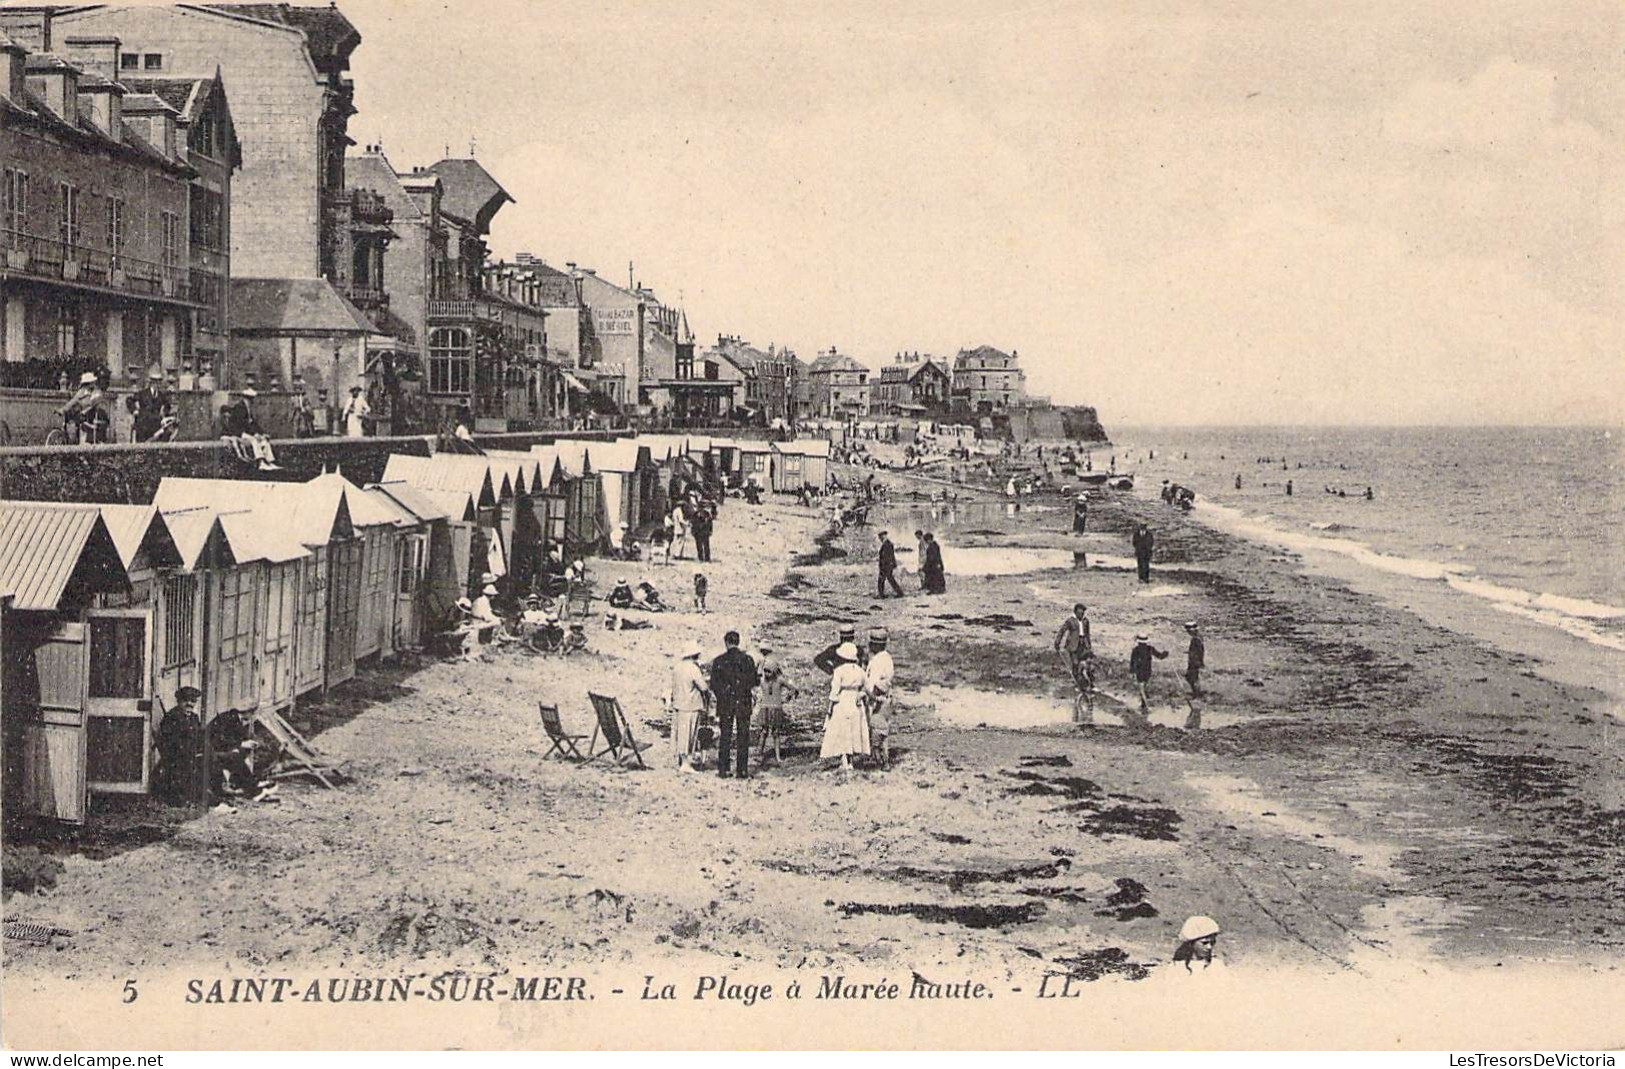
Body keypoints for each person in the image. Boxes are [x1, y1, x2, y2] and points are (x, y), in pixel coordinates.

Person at [709, 631, 760, 779]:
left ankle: (724, 769)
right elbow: (753, 682)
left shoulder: (719, 661)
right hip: (743, 701)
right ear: (738, 642)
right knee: (743, 736)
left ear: (726, 643)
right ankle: (742, 770)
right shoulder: (747, 659)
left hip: (725, 702)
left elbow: (714, 684)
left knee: (725, 735)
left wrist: (722, 695)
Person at [820, 642, 871, 773]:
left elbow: (834, 692)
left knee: (842, 731)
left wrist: (830, 709)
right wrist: (861, 694)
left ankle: (845, 761)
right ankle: (851, 761)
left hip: (842, 701)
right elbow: (868, 688)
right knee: (854, 729)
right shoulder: (860, 671)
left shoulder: (839, 671)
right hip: (855, 701)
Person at [208, 708, 277, 803]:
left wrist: (242, 744)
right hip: (209, 751)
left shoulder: (235, 718)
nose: (252, 717)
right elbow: (217, 740)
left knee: (236, 756)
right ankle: (254, 791)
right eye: (252, 713)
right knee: (234, 757)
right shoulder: (227, 719)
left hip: (215, 750)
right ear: (248, 712)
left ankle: (246, 785)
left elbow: (230, 740)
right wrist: (240, 744)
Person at [156, 686, 204, 805]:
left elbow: (199, 738)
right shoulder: (171, 717)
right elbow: (168, 742)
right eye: (185, 701)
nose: (189, 704)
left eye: (193, 701)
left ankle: (200, 795)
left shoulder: (194, 717)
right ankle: (185, 798)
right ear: (179, 701)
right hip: (176, 757)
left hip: (190, 754)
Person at [666, 644, 707, 772]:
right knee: (689, 734)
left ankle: (680, 759)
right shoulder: (693, 669)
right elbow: (703, 687)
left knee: (679, 733)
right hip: (690, 705)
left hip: (679, 703)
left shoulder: (677, 667)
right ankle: (686, 763)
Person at [1053, 603, 1095, 725]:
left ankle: (1086, 684)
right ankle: (1080, 686)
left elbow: (1087, 634)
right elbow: (1062, 631)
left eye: (1083, 612)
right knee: (1075, 665)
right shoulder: (1070, 621)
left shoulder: (1086, 621)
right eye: (1080, 612)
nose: (1082, 614)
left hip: (1083, 646)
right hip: (1073, 646)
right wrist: (1057, 642)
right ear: (1076, 612)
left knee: (1086, 665)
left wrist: (1089, 646)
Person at [756, 644, 798, 764]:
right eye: (765, 671)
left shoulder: (780, 680)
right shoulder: (762, 681)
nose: (767, 674)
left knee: (776, 733)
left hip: (776, 708)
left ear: (774, 672)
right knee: (763, 732)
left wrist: (788, 697)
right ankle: (759, 754)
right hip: (765, 708)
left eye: (769, 672)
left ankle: (778, 757)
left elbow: (793, 689)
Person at [864, 628, 895, 769]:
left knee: (877, 730)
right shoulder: (887, 658)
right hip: (886, 698)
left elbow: (876, 682)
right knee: (883, 731)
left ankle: (882, 762)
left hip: (878, 699)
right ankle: (883, 760)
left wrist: (873, 697)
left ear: (876, 645)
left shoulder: (877, 660)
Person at [58, 371, 109, 444]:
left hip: (93, 415)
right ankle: (72, 439)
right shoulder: (81, 392)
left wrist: (85, 411)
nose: (91, 385)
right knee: (71, 417)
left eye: (91, 383)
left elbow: (94, 404)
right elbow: (73, 401)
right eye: (87, 384)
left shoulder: (97, 392)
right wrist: (63, 409)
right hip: (83, 415)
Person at [127, 367, 173, 443]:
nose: (157, 384)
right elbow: (129, 400)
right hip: (144, 424)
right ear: (151, 382)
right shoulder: (143, 393)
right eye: (155, 382)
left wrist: (164, 413)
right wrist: (134, 410)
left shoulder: (161, 395)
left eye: (159, 382)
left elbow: (167, 405)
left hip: (156, 423)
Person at [1130, 631, 1168, 719]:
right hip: (1148, 671)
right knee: (1144, 687)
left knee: (1141, 689)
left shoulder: (1136, 650)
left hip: (1140, 671)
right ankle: (1143, 705)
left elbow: (1132, 662)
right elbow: (1160, 656)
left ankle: (1146, 706)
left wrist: (1132, 672)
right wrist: (1165, 653)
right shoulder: (1150, 649)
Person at [876, 530, 903, 598]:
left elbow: (887, 557)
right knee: (889, 579)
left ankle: (881, 595)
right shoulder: (888, 544)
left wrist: (883, 566)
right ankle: (899, 593)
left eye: (880, 537)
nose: (880, 539)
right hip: (887, 565)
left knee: (882, 580)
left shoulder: (887, 544)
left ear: (883, 536)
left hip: (886, 565)